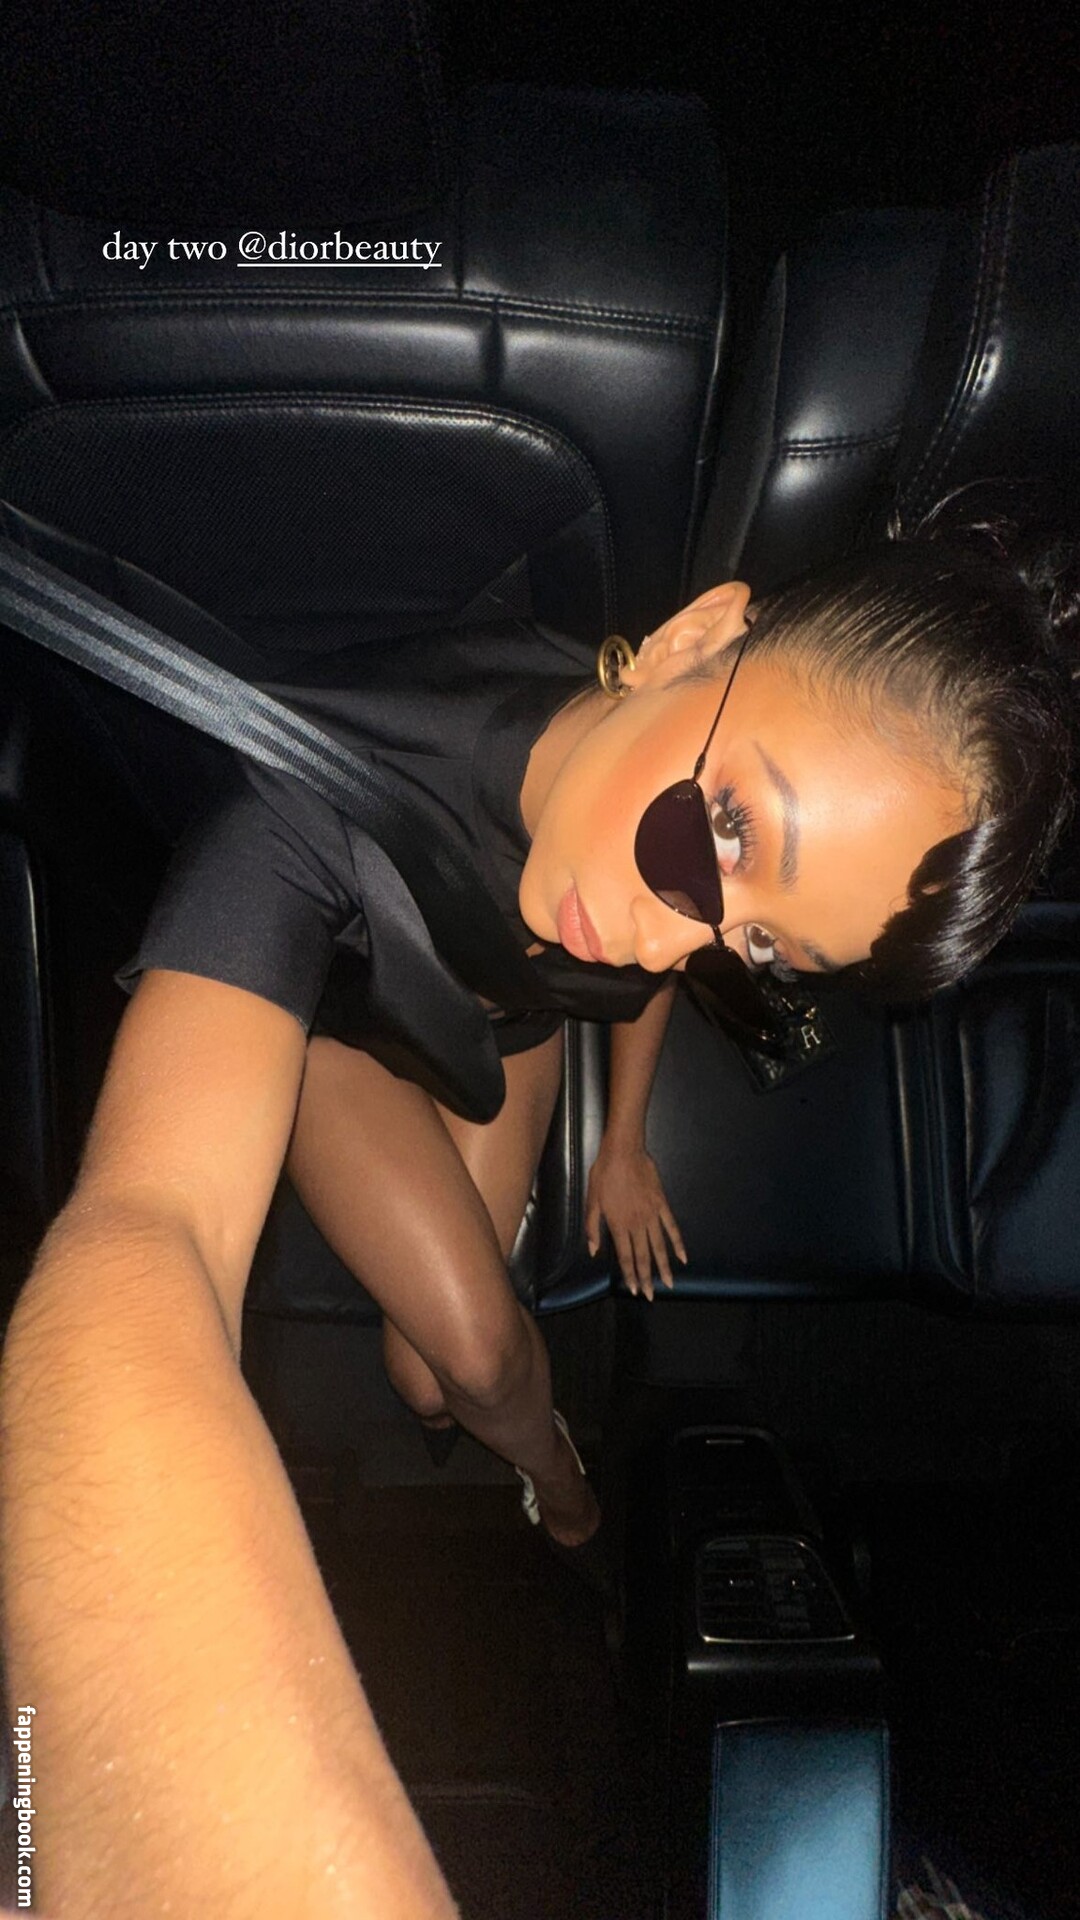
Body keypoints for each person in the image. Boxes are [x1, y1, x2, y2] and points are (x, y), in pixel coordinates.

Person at [1, 487, 1076, 1917]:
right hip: (337, 1028)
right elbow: (152, 1227)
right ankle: (565, 1497)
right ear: (691, 641)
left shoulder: (647, 841)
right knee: (465, 1362)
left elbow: (643, 968)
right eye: (729, 830)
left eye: (765, 945)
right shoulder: (296, 807)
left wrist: (622, 1144)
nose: (671, 937)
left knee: (430, 1374)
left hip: (507, 1024)